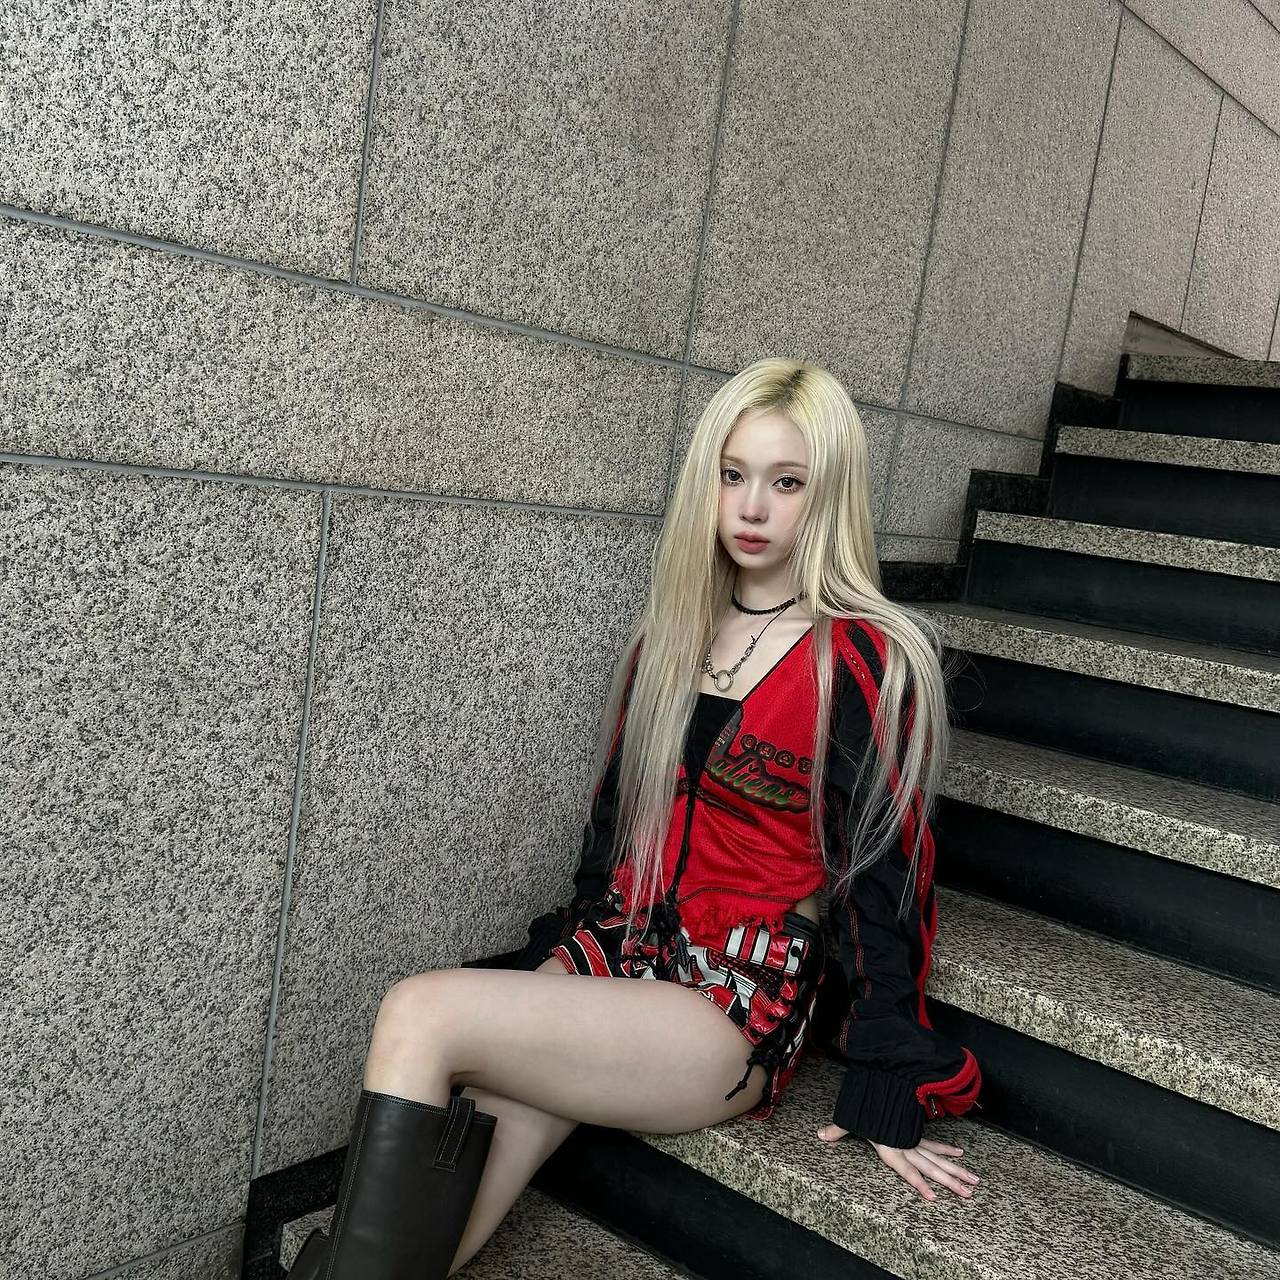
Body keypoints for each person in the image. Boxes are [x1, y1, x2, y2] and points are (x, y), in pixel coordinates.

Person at [286, 358, 983, 1280]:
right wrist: (572, 950)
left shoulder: (862, 658)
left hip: (728, 998)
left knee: (422, 1012)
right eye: (733, 475)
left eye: (786, 483)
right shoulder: (673, 635)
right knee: (456, 1176)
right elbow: (614, 832)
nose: (752, 508)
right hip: (621, 948)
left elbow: (885, 881)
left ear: (829, 495)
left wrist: (890, 1080)